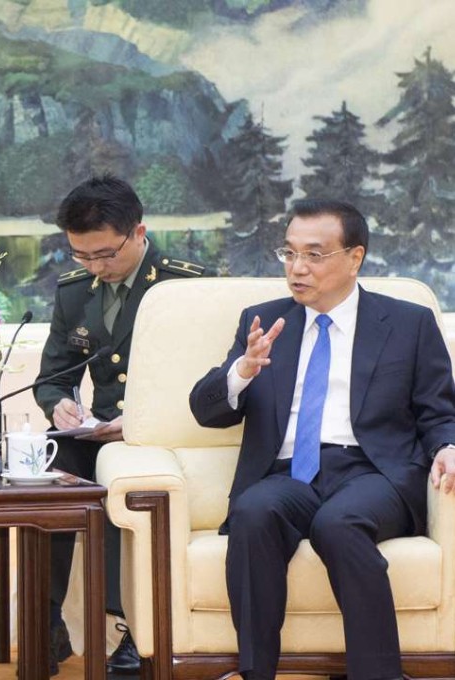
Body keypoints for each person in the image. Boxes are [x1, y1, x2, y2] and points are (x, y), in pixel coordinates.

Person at [189, 199, 455, 680]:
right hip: (288, 474)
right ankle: (255, 673)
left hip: (373, 473)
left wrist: (447, 448)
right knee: (252, 510)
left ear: (355, 258)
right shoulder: (264, 321)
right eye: (289, 254)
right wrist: (241, 371)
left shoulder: (408, 323)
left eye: (314, 255)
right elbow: (206, 411)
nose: (297, 268)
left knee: (339, 523)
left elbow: (439, 411)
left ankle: (378, 676)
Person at [34, 174, 205, 676]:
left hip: (165, 437)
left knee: (120, 474)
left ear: (138, 232)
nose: (94, 267)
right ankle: (46, 622)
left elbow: (211, 383)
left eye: (105, 255)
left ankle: (127, 630)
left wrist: (141, 420)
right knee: (47, 465)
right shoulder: (74, 292)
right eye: (81, 256)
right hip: (97, 430)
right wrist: (60, 406)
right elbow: (52, 377)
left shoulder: (188, 285)